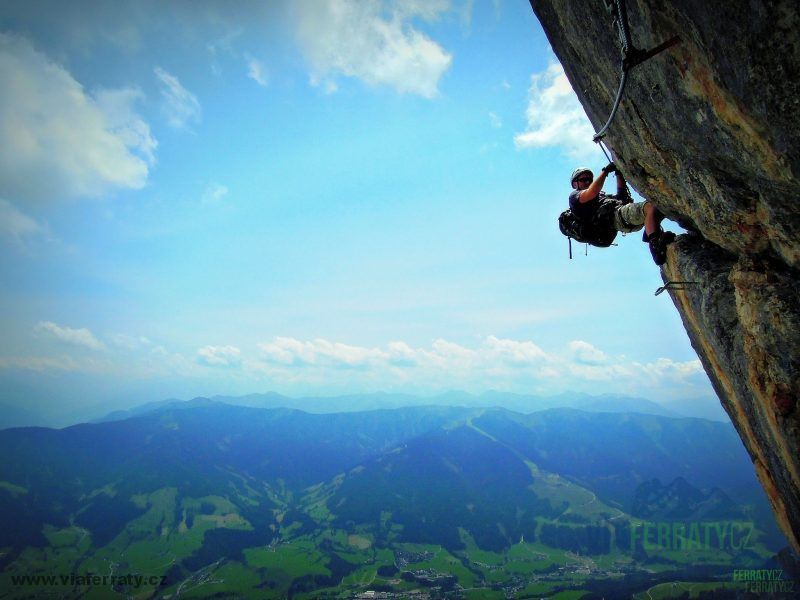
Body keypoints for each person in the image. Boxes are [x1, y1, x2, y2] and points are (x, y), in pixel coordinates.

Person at [569, 163, 675, 265]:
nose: (588, 182)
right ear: (575, 184)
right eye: (583, 180)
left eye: (589, 179)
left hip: (621, 217)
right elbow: (592, 192)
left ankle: (650, 232)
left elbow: (622, 197)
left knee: (662, 205)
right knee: (651, 207)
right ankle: (655, 245)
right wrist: (605, 171)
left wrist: (618, 173)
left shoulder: (601, 197)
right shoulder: (575, 197)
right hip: (617, 217)